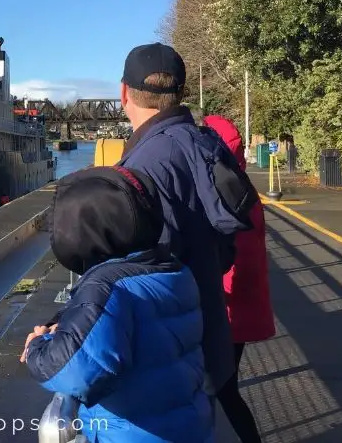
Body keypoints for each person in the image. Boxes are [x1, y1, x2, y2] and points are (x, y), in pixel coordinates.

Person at [22, 165, 213, 442]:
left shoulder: (105, 284)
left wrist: (36, 348)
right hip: (190, 425)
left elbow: (73, 370)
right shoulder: (171, 268)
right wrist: (66, 321)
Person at [113, 43, 252, 409]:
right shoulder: (205, 143)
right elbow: (225, 245)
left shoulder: (145, 162)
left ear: (124, 92)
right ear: (180, 92)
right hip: (208, 338)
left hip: (169, 357)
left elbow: (145, 267)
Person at [203, 114, 275, 442]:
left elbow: (230, 257)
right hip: (241, 305)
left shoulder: (226, 192)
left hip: (229, 308)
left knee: (218, 386)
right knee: (219, 385)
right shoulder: (240, 185)